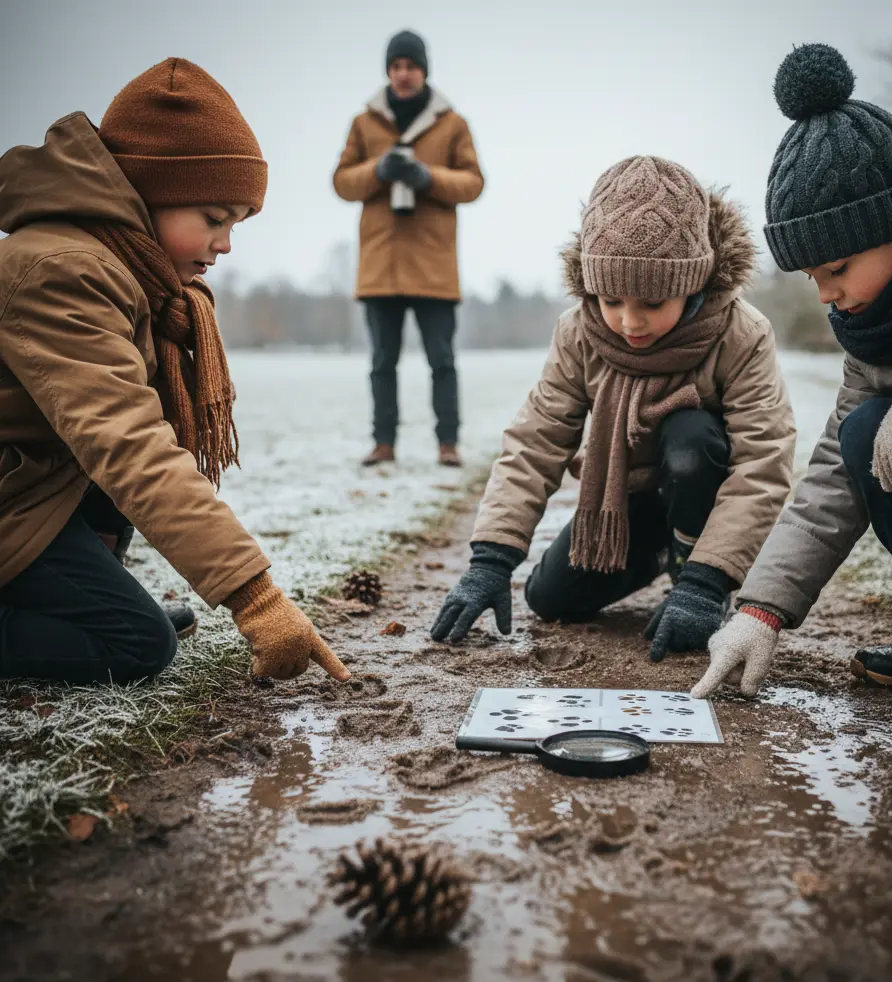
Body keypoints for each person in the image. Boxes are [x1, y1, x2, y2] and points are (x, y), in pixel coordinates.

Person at [694, 44, 892, 723]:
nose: (825, 296)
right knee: (865, 431)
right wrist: (762, 610)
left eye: (836, 268)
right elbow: (830, 481)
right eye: (812, 279)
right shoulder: (875, 321)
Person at [0, 58, 349, 686]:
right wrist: (257, 599)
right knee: (136, 644)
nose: (226, 244)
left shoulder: (132, 275)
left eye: (235, 223)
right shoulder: (61, 271)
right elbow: (128, 446)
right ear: (147, 194)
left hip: (33, 483)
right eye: (214, 218)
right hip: (14, 500)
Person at [431, 156, 796, 659]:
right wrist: (490, 559)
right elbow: (536, 442)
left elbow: (763, 462)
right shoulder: (578, 333)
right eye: (612, 299)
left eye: (651, 303)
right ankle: (659, 549)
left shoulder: (741, 333)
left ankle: (691, 563)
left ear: (691, 284)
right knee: (549, 598)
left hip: (703, 495)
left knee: (691, 437)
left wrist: (706, 582)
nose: (630, 321)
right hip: (626, 505)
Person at [334, 30, 484, 469]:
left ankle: (448, 445)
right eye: (396, 66)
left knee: (442, 361)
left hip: (433, 265)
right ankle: (383, 444)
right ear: (388, 71)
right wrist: (377, 171)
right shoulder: (365, 123)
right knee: (382, 362)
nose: (403, 74)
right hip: (380, 265)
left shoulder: (452, 124)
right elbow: (342, 181)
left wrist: (427, 177)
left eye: (410, 66)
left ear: (424, 70)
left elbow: (474, 183)